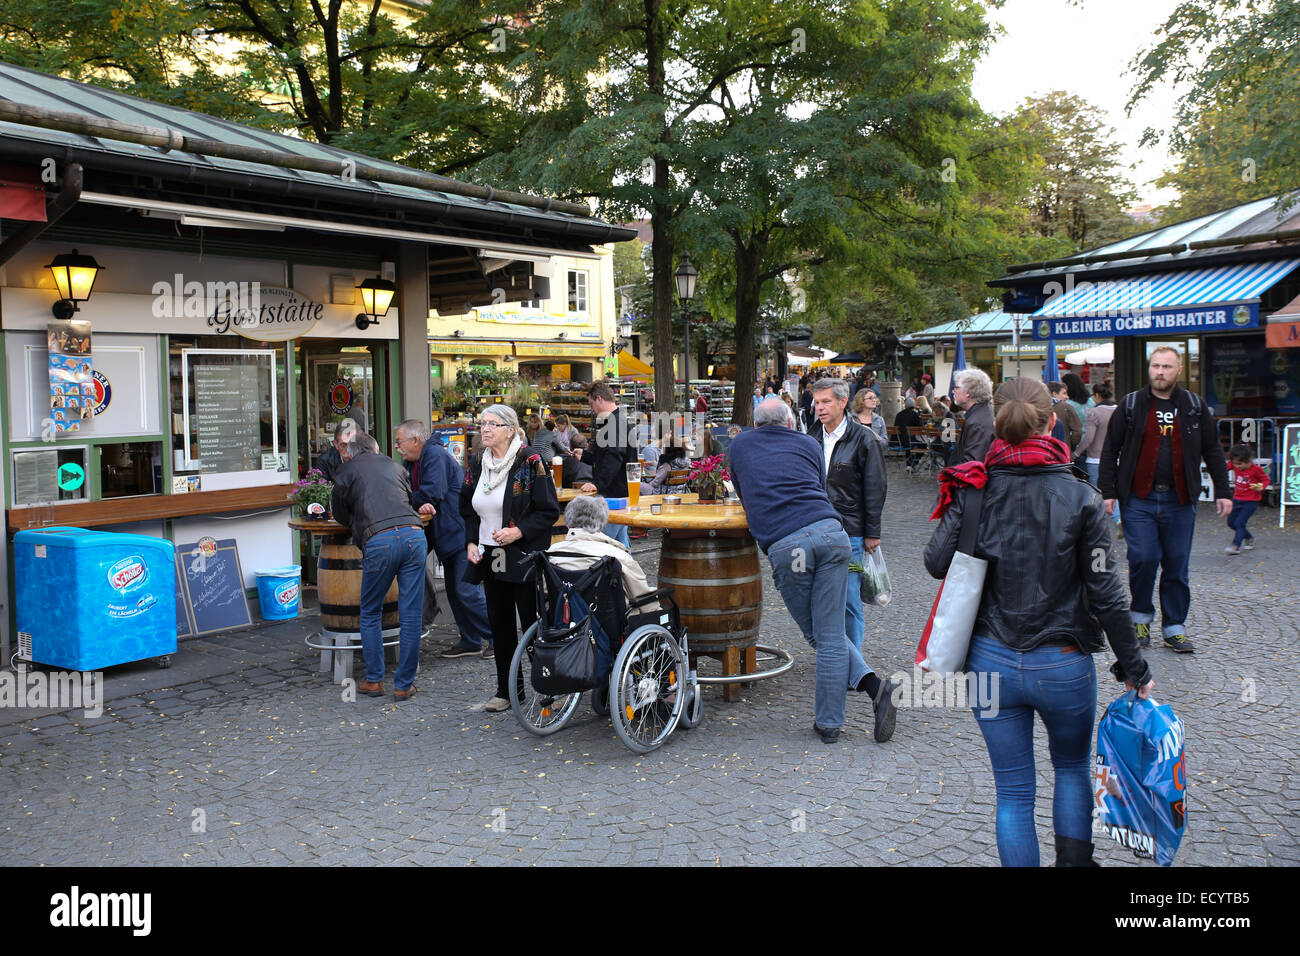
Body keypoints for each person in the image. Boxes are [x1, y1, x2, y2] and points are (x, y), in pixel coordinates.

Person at [924, 377, 1153, 867]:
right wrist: (1133, 667)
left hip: (991, 660)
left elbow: (936, 562)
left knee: (1012, 793)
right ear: (1052, 421)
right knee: (1071, 769)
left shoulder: (975, 490)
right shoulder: (1082, 497)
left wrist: (971, 520)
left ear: (997, 426)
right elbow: (1108, 596)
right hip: (1064, 663)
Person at [731, 397, 892, 745]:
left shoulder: (741, 444)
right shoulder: (808, 442)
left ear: (756, 424)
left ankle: (856, 702)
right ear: (790, 423)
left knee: (821, 635)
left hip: (791, 547)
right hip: (833, 535)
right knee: (832, 632)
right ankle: (849, 708)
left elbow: (744, 492)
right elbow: (817, 484)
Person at [1099, 347, 1232, 654]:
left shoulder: (1195, 406)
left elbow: (1213, 451)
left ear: (1179, 370)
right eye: (1156, 366)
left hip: (1180, 500)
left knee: (1176, 564)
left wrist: (1224, 492)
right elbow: (1110, 450)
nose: (1160, 372)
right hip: (1138, 498)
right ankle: (1140, 618)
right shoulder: (1131, 405)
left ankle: (1175, 627)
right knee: (1143, 558)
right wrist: (1108, 492)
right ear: (1150, 369)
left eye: (1167, 367)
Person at [807, 379, 896, 742]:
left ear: (844, 402)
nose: (820, 408)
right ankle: (846, 665)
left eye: (826, 402)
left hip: (852, 531)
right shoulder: (811, 435)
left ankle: (850, 666)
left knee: (849, 599)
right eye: (816, 402)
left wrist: (871, 532)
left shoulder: (863, 439)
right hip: (818, 527)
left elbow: (875, 487)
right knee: (825, 599)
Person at [461, 404, 559, 712]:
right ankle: (507, 690)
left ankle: (550, 689)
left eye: (492, 424)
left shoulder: (531, 461)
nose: (485, 429)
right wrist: (471, 542)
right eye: (482, 424)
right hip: (491, 555)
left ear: (509, 429)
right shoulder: (477, 463)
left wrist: (518, 532)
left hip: (522, 555)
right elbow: (467, 508)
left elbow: (548, 511)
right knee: (499, 623)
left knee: (532, 623)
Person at [329, 433, 427, 701]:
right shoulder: (395, 466)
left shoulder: (345, 471)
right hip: (414, 535)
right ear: (375, 448)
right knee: (411, 615)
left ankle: (374, 681)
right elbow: (410, 500)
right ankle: (403, 685)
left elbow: (339, 515)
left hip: (379, 539)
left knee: (370, 611)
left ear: (350, 453)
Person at [395, 418, 494, 660]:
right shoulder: (414, 461)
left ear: (415, 440)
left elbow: (432, 492)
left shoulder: (434, 456)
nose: (397, 447)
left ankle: (497, 637)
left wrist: (409, 500)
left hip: (458, 532)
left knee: (466, 591)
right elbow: (414, 493)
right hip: (444, 533)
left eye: (399, 442)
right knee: (453, 591)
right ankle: (470, 640)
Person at [548, 495, 659, 610]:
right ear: (602, 524)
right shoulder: (618, 557)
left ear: (568, 525)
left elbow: (547, 591)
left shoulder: (551, 554)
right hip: (609, 623)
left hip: (562, 619)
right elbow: (645, 600)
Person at [577, 381, 637, 547]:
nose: (592, 409)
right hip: (618, 493)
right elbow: (605, 456)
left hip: (613, 495)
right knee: (620, 544)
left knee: (603, 544)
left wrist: (596, 484)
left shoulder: (615, 424)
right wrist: (585, 456)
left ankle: (615, 573)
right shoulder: (616, 421)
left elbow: (613, 457)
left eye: (591, 404)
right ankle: (630, 572)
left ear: (599, 399)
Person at [1082, 384, 1121, 529]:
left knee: (1097, 493)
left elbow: (1088, 438)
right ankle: (1118, 519)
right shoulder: (1120, 410)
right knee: (1113, 490)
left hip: (1095, 458)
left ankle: (1100, 524)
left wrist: (1075, 453)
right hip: (1117, 457)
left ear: (1097, 395)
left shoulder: (1094, 413)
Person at [1224, 444, 1270, 555]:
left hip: (1251, 501)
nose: (1237, 466)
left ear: (1249, 460)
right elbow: (1224, 468)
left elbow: (1266, 480)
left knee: (1240, 523)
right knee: (1231, 523)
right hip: (1237, 499)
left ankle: (1236, 546)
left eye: (1240, 464)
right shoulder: (1234, 465)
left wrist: (1261, 486)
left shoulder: (1256, 470)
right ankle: (1249, 537)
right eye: (1235, 464)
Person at [947, 368, 994, 467]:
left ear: (968, 392)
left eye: (956, 387)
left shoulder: (978, 422)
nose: (953, 391)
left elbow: (972, 466)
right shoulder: (980, 414)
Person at [1047, 381, 1084, 453]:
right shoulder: (1067, 408)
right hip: (1063, 450)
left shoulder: (1039, 407)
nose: (1067, 397)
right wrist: (1071, 444)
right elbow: (1078, 431)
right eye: (1064, 393)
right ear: (1054, 394)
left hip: (1044, 450)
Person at [894, 397, 925, 470]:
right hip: (909, 441)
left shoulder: (899, 414)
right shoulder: (915, 415)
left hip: (897, 441)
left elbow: (896, 426)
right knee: (924, 445)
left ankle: (909, 464)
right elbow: (920, 428)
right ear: (913, 405)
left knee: (908, 441)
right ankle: (914, 462)